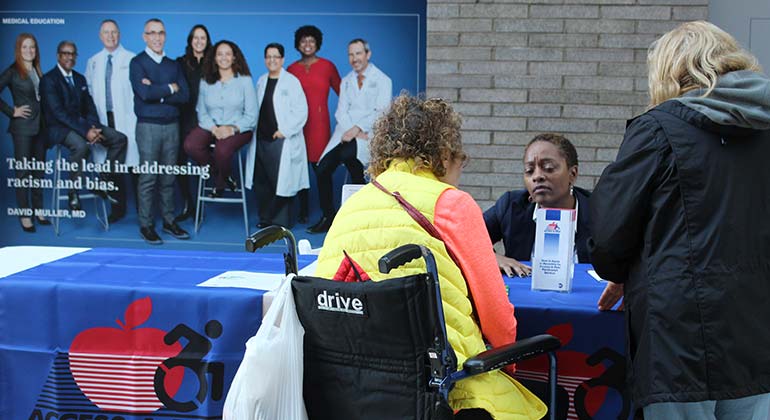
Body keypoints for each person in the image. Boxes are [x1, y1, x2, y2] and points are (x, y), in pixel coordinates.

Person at [315, 94, 547, 420]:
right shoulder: (451, 203)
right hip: (443, 393)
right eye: (460, 160)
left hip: (353, 391)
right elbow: (500, 324)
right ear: (444, 154)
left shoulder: (351, 205)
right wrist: (506, 362)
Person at [589, 21, 770, 419]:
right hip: (758, 338)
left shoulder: (659, 128)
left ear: (670, 72)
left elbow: (607, 236)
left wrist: (621, 270)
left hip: (681, 341)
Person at [482, 134, 623, 309]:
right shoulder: (511, 206)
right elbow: (466, 238)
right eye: (529, 170)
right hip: (524, 307)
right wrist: (491, 257)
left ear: (573, 174)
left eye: (548, 168)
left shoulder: (599, 211)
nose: (537, 176)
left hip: (589, 306)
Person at [307, 38, 392, 233]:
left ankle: (359, 217)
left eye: (358, 53)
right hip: (345, 134)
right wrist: (351, 130)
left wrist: (359, 129)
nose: (355, 58)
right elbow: (340, 112)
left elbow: (382, 112)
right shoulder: (346, 81)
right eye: (351, 54)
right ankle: (329, 216)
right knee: (322, 169)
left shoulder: (382, 80)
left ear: (367, 54)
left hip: (368, 135)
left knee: (351, 159)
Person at [40, 40, 127, 219]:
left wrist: (93, 127)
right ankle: (73, 191)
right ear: (58, 55)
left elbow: (90, 106)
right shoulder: (49, 80)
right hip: (60, 128)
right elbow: (59, 113)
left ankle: (103, 180)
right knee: (81, 146)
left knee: (119, 139)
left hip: (83, 125)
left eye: (73, 54)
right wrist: (85, 131)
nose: (70, 57)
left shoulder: (79, 78)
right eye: (66, 53)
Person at [129, 18, 190, 244]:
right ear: (145, 36)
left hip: (171, 127)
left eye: (161, 33)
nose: (157, 37)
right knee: (148, 178)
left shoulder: (173, 65)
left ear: (165, 36)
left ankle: (168, 220)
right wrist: (168, 89)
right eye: (152, 33)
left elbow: (184, 95)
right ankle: (146, 225)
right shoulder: (137, 63)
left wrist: (156, 90)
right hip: (148, 127)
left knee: (168, 178)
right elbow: (144, 95)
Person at [244, 43, 308, 228]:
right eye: (269, 57)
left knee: (280, 182)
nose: (272, 60)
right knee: (262, 181)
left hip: (280, 140)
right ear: (265, 60)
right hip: (261, 139)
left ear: (282, 59)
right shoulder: (262, 81)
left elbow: (301, 111)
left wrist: (284, 131)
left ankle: (280, 222)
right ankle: (265, 219)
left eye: (276, 57)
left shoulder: (292, 81)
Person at [183, 40, 255, 197]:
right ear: (214, 58)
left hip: (239, 128)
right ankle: (221, 175)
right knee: (190, 145)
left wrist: (232, 129)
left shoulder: (245, 81)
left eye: (228, 54)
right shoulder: (206, 81)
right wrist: (214, 129)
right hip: (211, 126)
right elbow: (201, 112)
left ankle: (221, 178)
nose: (224, 57)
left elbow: (252, 115)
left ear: (234, 57)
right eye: (220, 54)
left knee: (222, 150)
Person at [287, 25, 341, 224]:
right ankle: (302, 211)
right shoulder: (291, 69)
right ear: (297, 44)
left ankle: (328, 213)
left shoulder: (327, 66)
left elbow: (345, 94)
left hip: (319, 126)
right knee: (299, 169)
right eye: (303, 41)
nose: (307, 44)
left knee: (321, 170)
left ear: (317, 43)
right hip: (298, 126)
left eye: (311, 40)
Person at [85, 19, 136, 223]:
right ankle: (118, 208)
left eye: (114, 32)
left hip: (126, 118)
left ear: (119, 34)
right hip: (102, 119)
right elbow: (88, 93)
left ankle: (143, 211)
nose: (110, 36)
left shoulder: (131, 58)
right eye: (106, 32)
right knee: (112, 164)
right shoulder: (94, 61)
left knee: (131, 166)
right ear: (100, 35)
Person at [0, 33, 49, 232]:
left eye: (32, 47)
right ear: (18, 50)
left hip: (41, 128)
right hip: (22, 129)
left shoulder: (37, 69)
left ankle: (38, 209)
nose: (29, 51)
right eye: (25, 47)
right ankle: (25, 214)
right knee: (23, 172)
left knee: (38, 171)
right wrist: (12, 111)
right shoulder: (12, 71)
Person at [175, 24, 212, 222]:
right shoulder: (180, 62)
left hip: (206, 120)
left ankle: (201, 202)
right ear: (190, 41)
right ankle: (188, 203)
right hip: (184, 118)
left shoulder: (214, 63)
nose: (199, 41)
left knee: (201, 160)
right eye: (195, 38)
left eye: (203, 38)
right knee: (180, 161)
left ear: (207, 41)